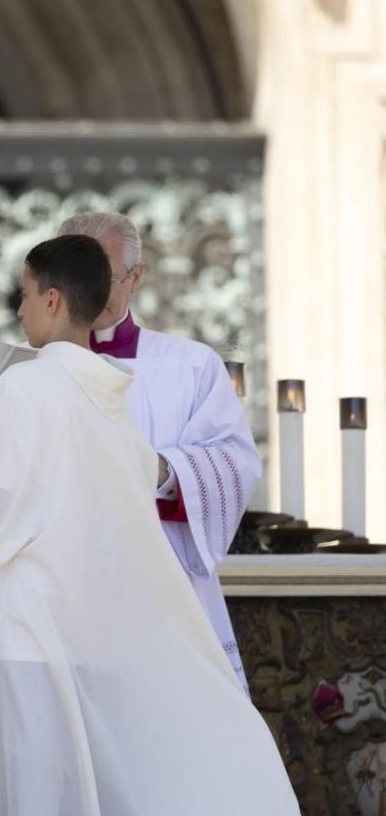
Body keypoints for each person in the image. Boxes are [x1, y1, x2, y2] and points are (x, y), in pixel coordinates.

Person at [0, 235, 303, 816]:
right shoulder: (115, 400)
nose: (19, 309)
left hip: (32, 626)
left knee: (39, 791)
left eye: (27, 294)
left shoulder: (25, 386)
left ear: (55, 300)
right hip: (96, 622)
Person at [58, 211, 258, 684]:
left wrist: (164, 470)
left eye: (104, 276)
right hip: (66, 585)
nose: (91, 292)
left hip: (164, 584)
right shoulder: (26, 367)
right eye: (76, 276)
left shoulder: (189, 366)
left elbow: (235, 460)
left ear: (137, 277)